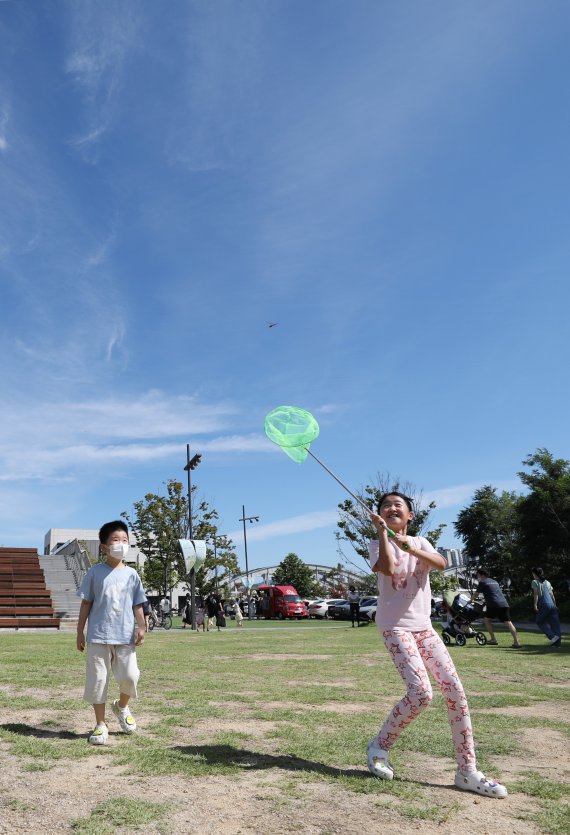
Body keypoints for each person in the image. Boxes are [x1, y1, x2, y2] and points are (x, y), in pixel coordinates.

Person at [367, 492, 507, 798]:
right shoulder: (378, 543)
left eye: (397, 505)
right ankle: (379, 746)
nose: (390, 508)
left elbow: (441, 564)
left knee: (455, 692)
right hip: (395, 627)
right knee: (421, 694)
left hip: (424, 627)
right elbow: (388, 570)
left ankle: (467, 771)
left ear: (409, 516)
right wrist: (385, 536)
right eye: (385, 506)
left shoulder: (421, 541)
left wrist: (411, 547)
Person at [76, 520, 146, 746]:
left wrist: (142, 626)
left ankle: (122, 706)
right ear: (104, 547)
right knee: (98, 681)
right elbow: (86, 603)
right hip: (98, 636)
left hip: (125, 636)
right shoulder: (95, 573)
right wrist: (80, 632)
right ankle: (100, 724)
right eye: (116, 540)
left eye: (125, 540)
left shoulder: (132, 574)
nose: (121, 544)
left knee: (130, 676)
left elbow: (138, 604)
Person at [473, 569, 521, 648]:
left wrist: (471, 600)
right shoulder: (495, 581)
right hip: (504, 603)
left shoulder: (482, 582)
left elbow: (476, 594)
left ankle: (493, 639)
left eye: (478, 575)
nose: (478, 577)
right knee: (508, 622)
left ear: (482, 575)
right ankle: (517, 642)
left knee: (487, 620)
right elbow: (493, 593)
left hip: (493, 605)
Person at [531, 567, 562, 647]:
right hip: (552, 604)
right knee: (555, 624)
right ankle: (557, 644)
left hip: (544, 604)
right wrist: (555, 605)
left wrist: (535, 605)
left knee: (539, 621)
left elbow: (536, 594)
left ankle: (552, 637)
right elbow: (552, 595)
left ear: (534, 574)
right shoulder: (547, 582)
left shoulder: (535, 582)